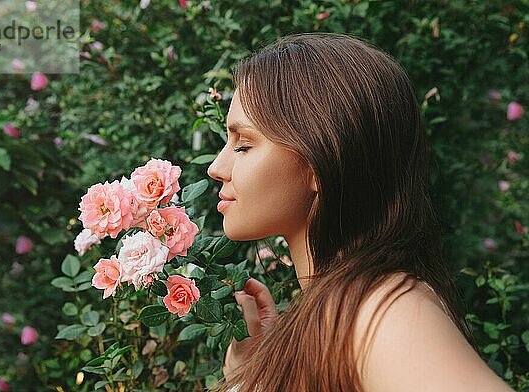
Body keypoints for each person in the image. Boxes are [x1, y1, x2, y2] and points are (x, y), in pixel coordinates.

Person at [206, 33, 514, 392]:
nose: (216, 166)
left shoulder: (380, 309)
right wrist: (258, 372)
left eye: (243, 144)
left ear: (321, 159)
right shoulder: (333, 310)